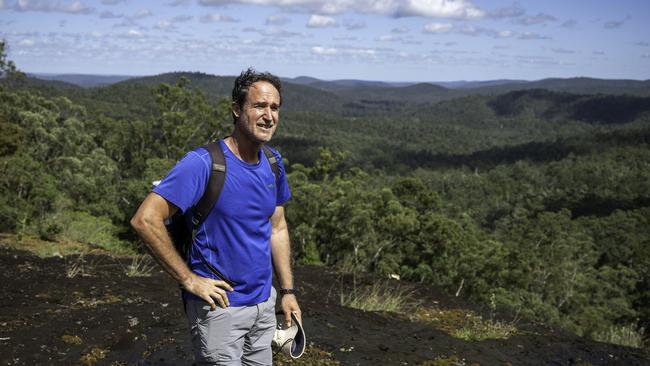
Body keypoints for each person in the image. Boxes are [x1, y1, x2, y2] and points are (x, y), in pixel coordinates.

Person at [130, 68, 301, 365]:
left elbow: (277, 227)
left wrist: (286, 291)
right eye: (259, 106)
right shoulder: (203, 163)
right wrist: (189, 280)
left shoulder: (273, 162)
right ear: (237, 109)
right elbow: (145, 219)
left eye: (274, 108)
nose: (269, 116)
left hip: (263, 305)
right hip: (219, 310)